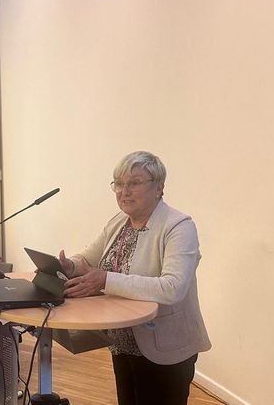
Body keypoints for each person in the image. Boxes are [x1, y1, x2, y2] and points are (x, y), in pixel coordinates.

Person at [57, 151, 211, 405]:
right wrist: (70, 265)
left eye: (134, 183)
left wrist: (105, 280)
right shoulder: (120, 221)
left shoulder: (179, 226)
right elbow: (88, 258)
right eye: (118, 184)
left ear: (159, 187)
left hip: (165, 348)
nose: (124, 191)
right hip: (123, 343)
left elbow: (172, 288)